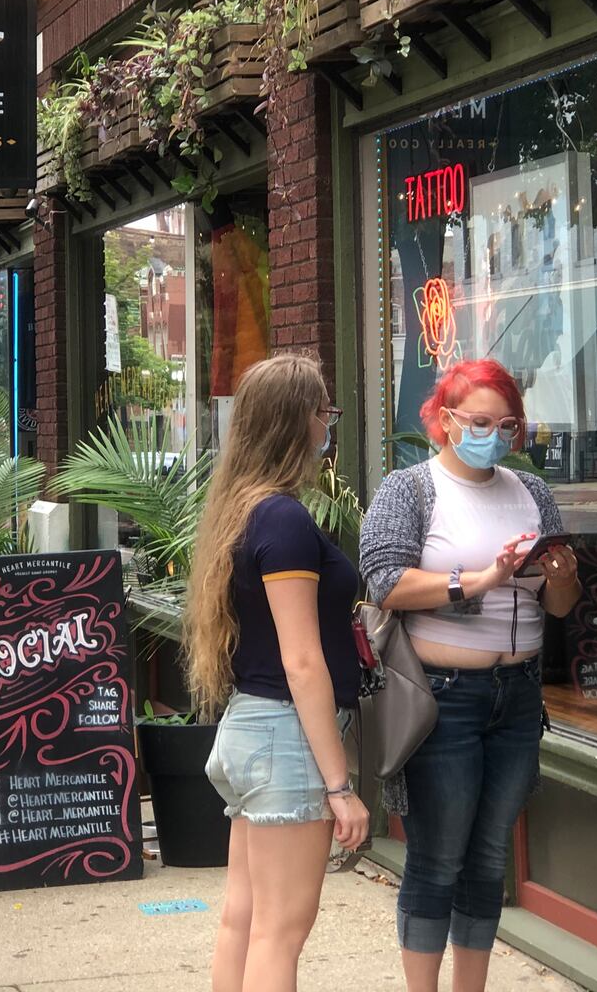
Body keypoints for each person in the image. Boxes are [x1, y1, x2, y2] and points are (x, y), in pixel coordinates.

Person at [359, 359, 582, 992]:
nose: (494, 434)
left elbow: (559, 606)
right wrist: (479, 581)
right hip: (443, 698)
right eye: (480, 421)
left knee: (488, 858)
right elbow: (384, 581)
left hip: (516, 696)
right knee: (437, 857)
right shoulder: (412, 489)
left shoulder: (530, 491)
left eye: (507, 425)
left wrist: (562, 578)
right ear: (445, 420)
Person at [188, 352, 370, 992]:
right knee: (279, 933)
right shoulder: (285, 518)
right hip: (285, 739)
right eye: (326, 412)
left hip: (251, 731)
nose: (331, 425)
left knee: (244, 920)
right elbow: (302, 661)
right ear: (301, 421)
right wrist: (340, 785)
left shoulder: (245, 508)